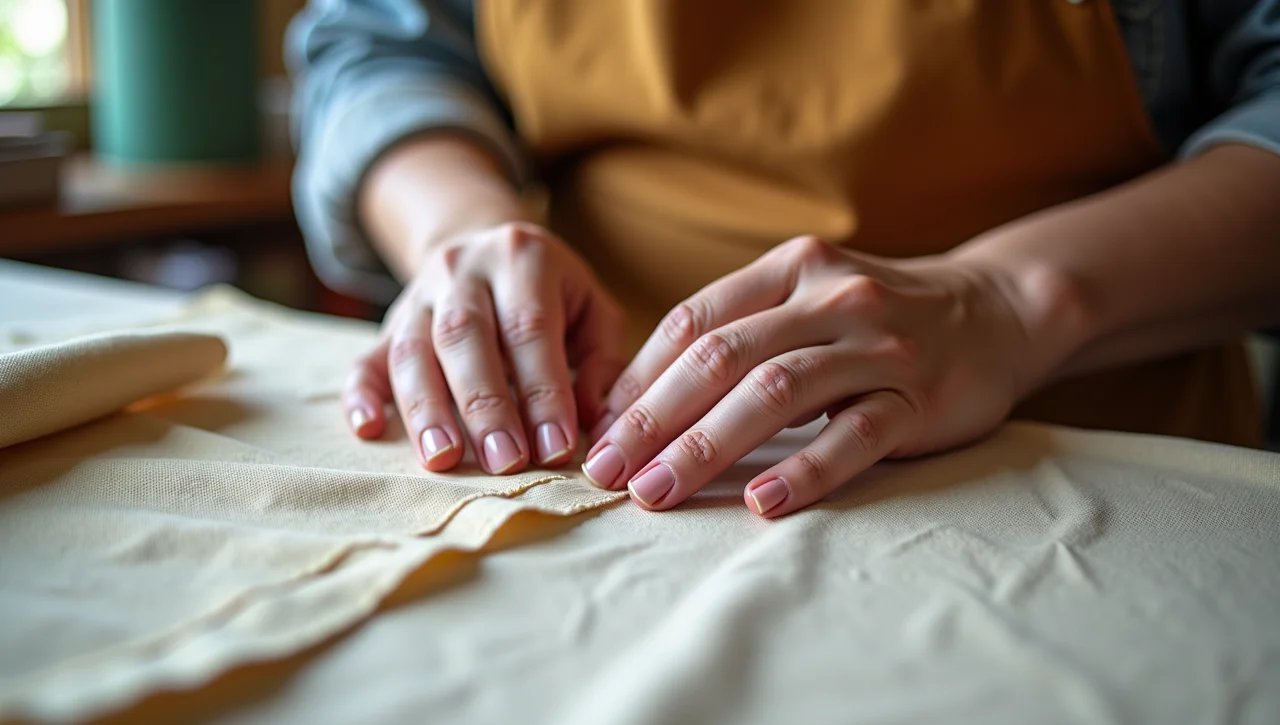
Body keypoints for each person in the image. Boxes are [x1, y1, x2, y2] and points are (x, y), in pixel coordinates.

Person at [288, 0, 1280, 519]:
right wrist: (456, 228)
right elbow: (380, 46)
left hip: (1098, 462)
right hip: (597, 452)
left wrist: (1009, 302)